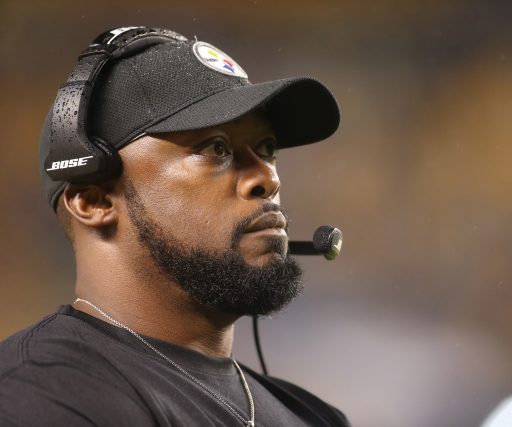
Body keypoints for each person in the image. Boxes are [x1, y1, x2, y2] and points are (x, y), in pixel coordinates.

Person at [0, 27, 349, 427]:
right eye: (215, 148)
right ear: (93, 200)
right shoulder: (40, 394)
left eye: (267, 148)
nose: (267, 177)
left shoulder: (315, 417)